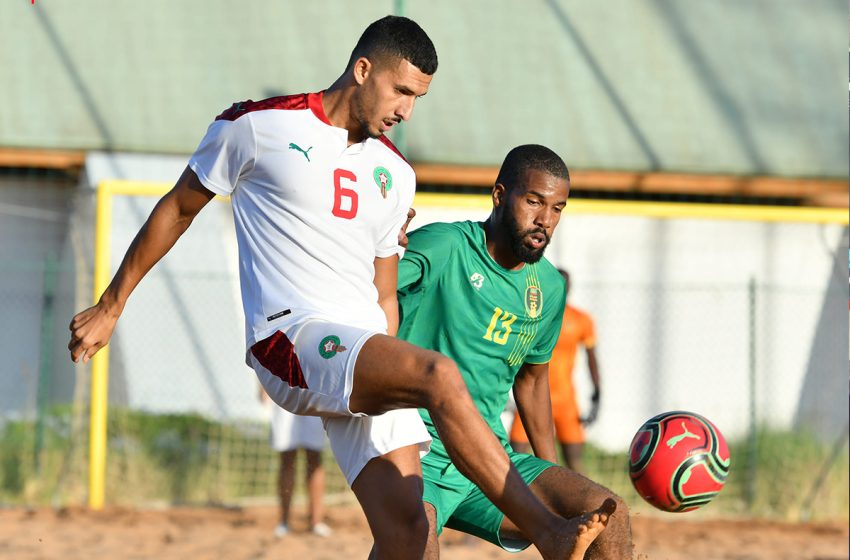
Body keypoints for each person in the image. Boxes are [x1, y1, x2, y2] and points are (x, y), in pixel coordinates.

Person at [67, 16, 613, 559]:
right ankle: (548, 533)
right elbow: (178, 208)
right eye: (401, 91)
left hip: (360, 352)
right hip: (293, 340)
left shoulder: (395, 174)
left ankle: (529, 523)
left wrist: (392, 360)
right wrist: (111, 305)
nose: (406, 110)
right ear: (362, 68)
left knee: (409, 536)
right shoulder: (258, 126)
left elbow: (383, 296)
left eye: (418, 98)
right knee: (439, 374)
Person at [397, 145, 633, 558]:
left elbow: (533, 382)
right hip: (415, 452)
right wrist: (381, 247)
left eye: (558, 208)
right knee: (415, 540)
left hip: (489, 458)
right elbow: (363, 290)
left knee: (605, 514)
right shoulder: (444, 246)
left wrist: (552, 479)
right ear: (500, 195)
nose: (545, 220)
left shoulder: (549, 288)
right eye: (534, 202)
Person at [510, 269, 601, 474]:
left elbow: (591, 357)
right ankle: (519, 504)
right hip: (530, 395)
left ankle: (578, 505)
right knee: (515, 459)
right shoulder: (531, 315)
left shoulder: (581, 319)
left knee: (574, 463)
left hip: (565, 399)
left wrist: (597, 393)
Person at [261, 388, 332, 538]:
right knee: (287, 457)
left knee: (315, 457)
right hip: (284, 386)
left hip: (314, 390)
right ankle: (284, 522)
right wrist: (263, 385)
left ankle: (316, 522)